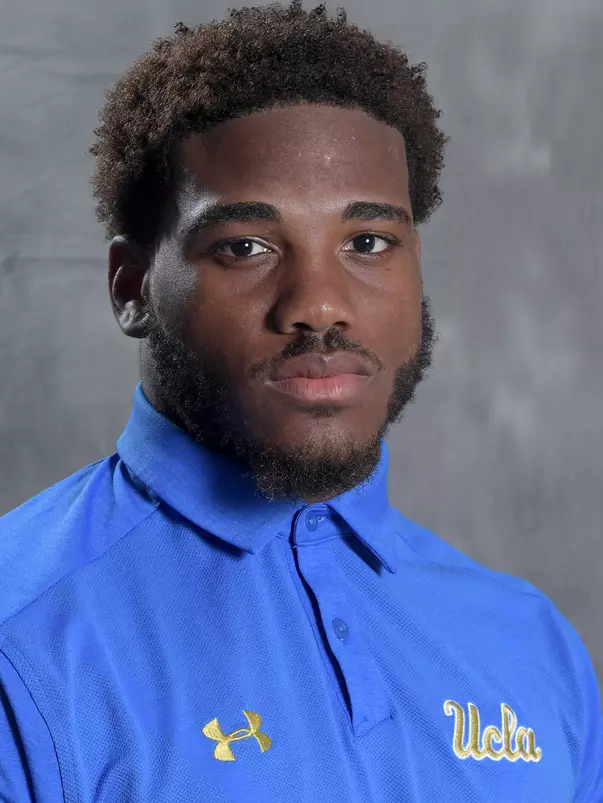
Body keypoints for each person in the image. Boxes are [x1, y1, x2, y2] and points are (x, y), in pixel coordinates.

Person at [0, 2, 601, 800]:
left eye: (366, 243)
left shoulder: (530, 641)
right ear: (131, 285)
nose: (318, 303)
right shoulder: (24, 640)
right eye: (244, 246)